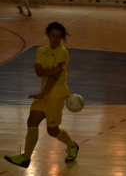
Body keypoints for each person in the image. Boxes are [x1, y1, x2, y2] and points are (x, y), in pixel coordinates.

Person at [4, 22, 79, 168]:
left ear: (62, 38)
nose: (55, 38)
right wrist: (52, 71)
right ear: (48, 35)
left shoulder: (62, 52)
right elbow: (39, 72)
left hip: (56, 94)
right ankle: (26, 157)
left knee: (52, 131)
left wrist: (43, 92)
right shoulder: (40, 51)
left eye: (58, 36)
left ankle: (72, 145)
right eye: (53, 35)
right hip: (43, 93)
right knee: (32, 122)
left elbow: (55, 78)